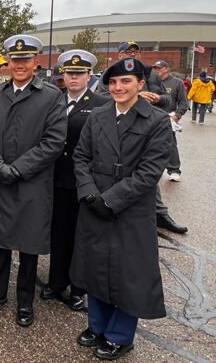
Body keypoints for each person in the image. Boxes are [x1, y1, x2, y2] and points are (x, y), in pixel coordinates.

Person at [70, 58, 171, 360]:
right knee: (95, 267)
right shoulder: (98, 114)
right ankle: (98, 326)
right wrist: (89, 193)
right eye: (113, 82)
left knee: (128, 274)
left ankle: (120, 335)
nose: (118, 87)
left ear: (141, 84)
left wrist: (111, 200)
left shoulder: (156, 120)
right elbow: (80, 157)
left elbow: (149, 172)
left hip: (129, 209)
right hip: (94, 203)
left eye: (126, 82)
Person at [0, 34, 67, 327]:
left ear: (35, 63)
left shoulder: (51, 96)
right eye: (15, 60)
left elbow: (54, 142)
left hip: (31, 183)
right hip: (0, 178)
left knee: (27, 245)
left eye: (25, 59)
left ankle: (25, 301)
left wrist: (18, 169)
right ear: (8, 63)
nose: (20, 64)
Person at [40, 50, 109, 312]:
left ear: (89, 75)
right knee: (58, 233)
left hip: (84, 181)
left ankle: (79, 288)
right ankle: (56, 281)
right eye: (69, 73)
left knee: (81, 237)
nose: (73, 77)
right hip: (56, 178)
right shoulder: (52, 100)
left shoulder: (101, 103)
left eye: (79, 73)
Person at [100, 41, 186, 234]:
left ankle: (159, 214)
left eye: (135, 52)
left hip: (149, 127)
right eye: (127, 52)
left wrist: (157, 98)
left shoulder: (151, 74)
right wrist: (134, 96)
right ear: (119, 55)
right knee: (125, 171)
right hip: (120, 128)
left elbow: (167, 99)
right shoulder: (110, 74)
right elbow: (102, 99)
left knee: (149, 172)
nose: (132, 55)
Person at [154, 60, 187, 181]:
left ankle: (174, 170)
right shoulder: (151, 82)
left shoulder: (177, 83)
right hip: (151, 118)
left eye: (159, 68)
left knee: (170, 145)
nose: (156, 70)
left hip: (168, 118)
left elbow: (184, 102)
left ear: (166, 69)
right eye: (155, 68)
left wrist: (177, 116)